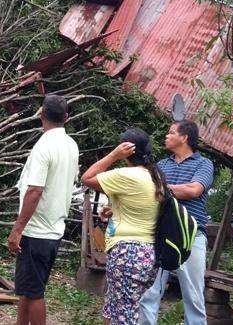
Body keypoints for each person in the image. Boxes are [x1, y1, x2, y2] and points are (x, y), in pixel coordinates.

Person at [81, 128, 165, 325]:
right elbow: (142, 207)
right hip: (148, 253)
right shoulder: (155, 176)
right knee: (115, 309)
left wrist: (113, 155)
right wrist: (116, 210)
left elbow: (87, 177)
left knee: (124, 316)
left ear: (126, 150)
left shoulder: (128, 175)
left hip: (128, 254)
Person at [8, 94, 79, 325]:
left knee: (34, 291)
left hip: (36, 230)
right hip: (54, 228)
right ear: (66, 118)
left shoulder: (44, 146)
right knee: (29, 287)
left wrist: (18, 229)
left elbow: (34, 191)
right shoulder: (71, 145)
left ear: (41, 113)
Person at [138, 120, 214, 325]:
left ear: (184, 137)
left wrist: (162, 188)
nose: (166, 136)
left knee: (194, 297)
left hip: (192, 235)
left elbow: (194, 190)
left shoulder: (204, 164)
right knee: (149, 293)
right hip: (161, 234)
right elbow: (148, 193)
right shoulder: (161, 165)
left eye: (171, 133)